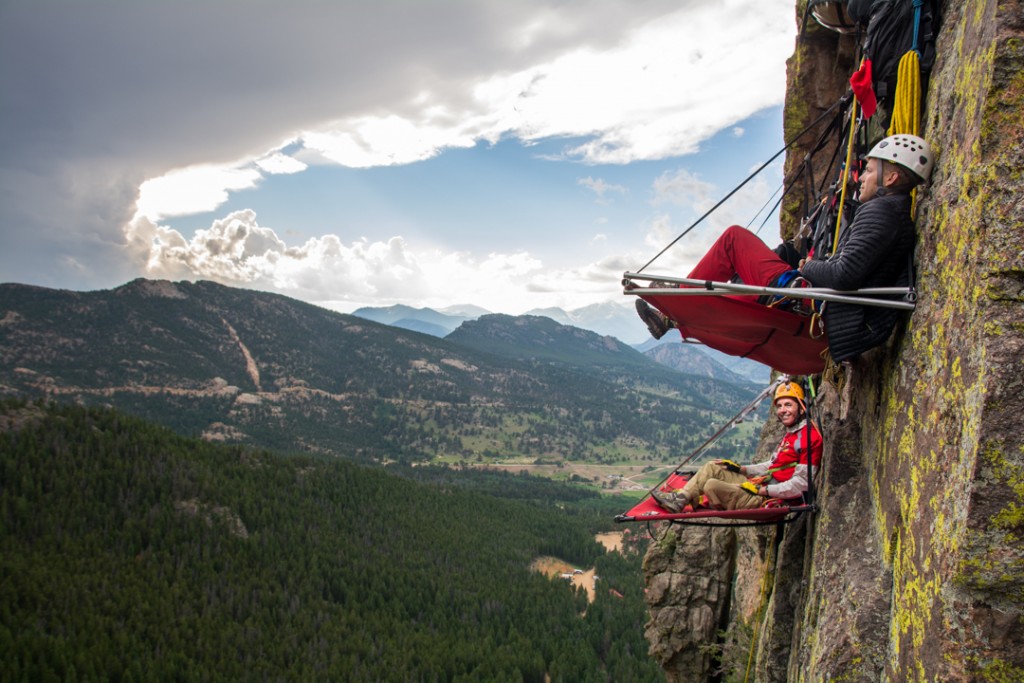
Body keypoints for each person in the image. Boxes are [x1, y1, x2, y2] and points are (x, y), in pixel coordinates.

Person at [636, 134, 935, 363]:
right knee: (737, 288)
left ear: (892, 177)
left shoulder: (880, 212)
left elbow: (846, 274)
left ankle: (678, 308)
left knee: (734, 240)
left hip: (815, 306)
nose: (862, 178)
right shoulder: (891, 213)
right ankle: (672, 316)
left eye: (869, 170)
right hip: (829, 312)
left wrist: (807, 267)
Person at [651, 381, 823, 512]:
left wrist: (762, 490)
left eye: (788, 405)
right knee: (712, 467)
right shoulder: (791, 434)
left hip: (771, 497)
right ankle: (681, 499)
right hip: (762, 484)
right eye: (779, 406)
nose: (782, 410)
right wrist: (741, 469)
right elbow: (771, 465)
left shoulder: (808, 438)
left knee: (711, 485)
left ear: (801, 408)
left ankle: (689, 500)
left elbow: (802, 484)